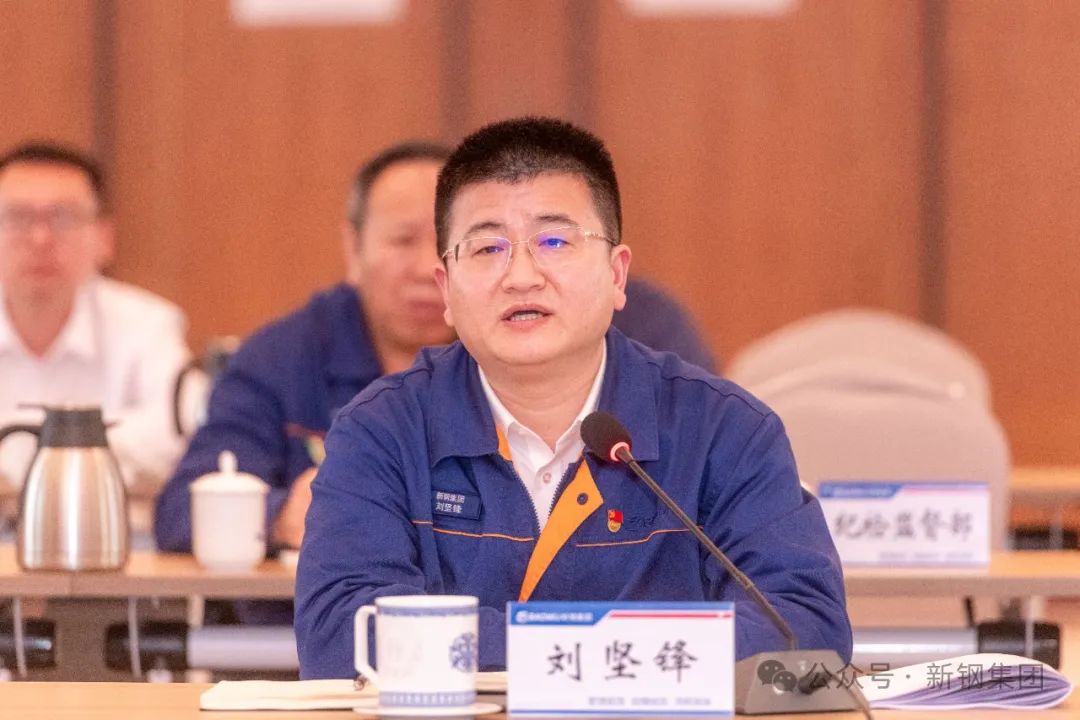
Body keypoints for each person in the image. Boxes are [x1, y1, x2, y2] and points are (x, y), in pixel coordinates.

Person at [294, 117, 851, 678]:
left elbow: (803, 626)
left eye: (555, 241)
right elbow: (344, 636)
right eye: (487, 247)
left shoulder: (725, 429)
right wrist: (598, 654)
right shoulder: (381, 430)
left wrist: (561, 655)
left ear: (617, 274)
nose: (521, 276)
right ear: (447, 290)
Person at [0, 142, 191, 526]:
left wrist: (21, 468)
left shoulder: (149, 325)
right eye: (18, 218)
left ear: (104, 237)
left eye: (63, 218)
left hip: (111, 548)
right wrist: (91, 448)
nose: (40, 239)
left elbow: (178, 435)